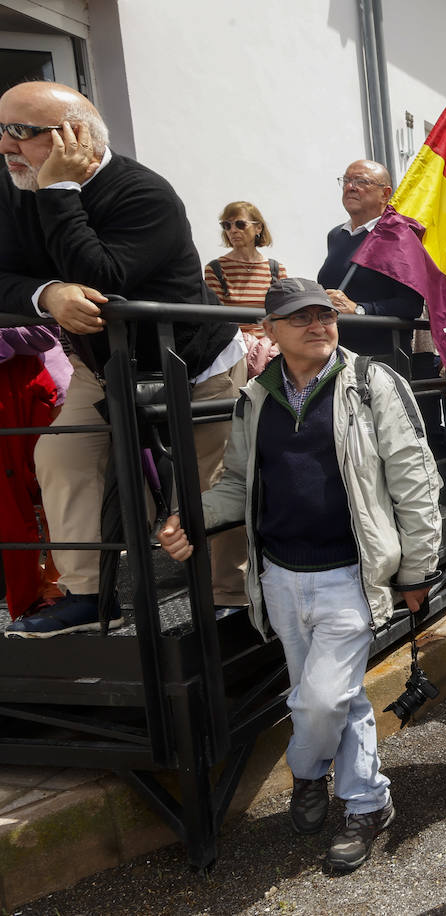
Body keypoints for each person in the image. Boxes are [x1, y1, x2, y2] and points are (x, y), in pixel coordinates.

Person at [157, 278, 440, 873]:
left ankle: (307, 772)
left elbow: (414, 479)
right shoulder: (255, 395)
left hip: (350, 575)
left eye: (323, 313)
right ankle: (367, 804)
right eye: (299, 317)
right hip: (281, 577)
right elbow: (237, 482)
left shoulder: (371, 383)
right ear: (269, 331)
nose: (318, 324)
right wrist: (189, 517)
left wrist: (418, 568)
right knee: (344, 701)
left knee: (321, 698)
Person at [0, 81, 244, 636]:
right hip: (102, 365)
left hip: (195, 364)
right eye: (1, 130)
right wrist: (48, 294)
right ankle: (90, 595)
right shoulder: (16, 187)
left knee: (209, 481)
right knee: (63, 459)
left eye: (20, 132)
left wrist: (59, 188)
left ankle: (230, 599)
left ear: (75, 135)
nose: (6, 147)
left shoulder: (144, 192)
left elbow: (106, 279)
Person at [317, 160, 424, 358]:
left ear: (385, 193)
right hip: (334, 352)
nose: (350, 187)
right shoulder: (336, 235)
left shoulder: (399, 235)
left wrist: (359, 309)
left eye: (361, 181)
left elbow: (411, 305)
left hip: (380, 356)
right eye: (347, 180)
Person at [0, 326, 62, 620]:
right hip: (21, 390)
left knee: (51, 495)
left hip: (31, 391)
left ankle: (54, 590)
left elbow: (46, 330)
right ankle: (32, 598)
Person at [205, 201, 284, 378]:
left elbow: (283, 315)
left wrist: (274, 346)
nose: (233, 230)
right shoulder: (216, 269)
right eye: (227, 225)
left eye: (240, 224)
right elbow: (215, 319)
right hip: (232, 352)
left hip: (270, 350)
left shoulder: (275, 269)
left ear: (258, 228)